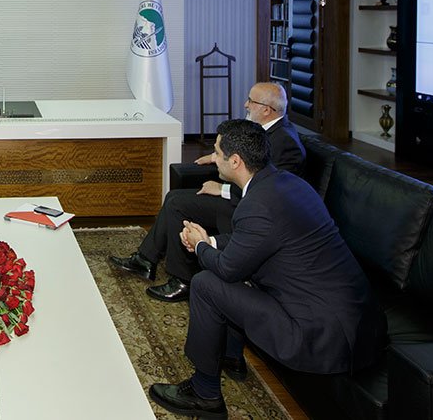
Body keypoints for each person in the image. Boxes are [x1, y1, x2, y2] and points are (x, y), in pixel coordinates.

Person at [148, 120, 385, 419]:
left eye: (217, 152)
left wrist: (200, 247)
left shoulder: (257, 204)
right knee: (237, 276)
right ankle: (231, 358)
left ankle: (204, 393)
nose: (214, 158)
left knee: (207, 284)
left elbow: (228, 269)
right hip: (360, 323)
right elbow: (254, 240)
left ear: (235, 161)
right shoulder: (289, 184)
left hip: (322, 334)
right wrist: (211, 241)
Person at [110, 82, 305, 302]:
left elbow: (271, 194)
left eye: (251, 101)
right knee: (174, 197)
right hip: (240, 200)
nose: (246, 104)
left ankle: (183, 280)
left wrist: (222, 189)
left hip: (249, 211)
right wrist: (216, 157)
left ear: (266, 110)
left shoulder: (286, 143)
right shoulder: (267, 131)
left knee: (177, 205)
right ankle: (145, 259)